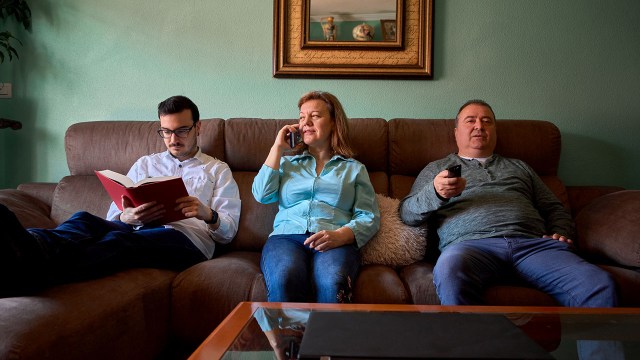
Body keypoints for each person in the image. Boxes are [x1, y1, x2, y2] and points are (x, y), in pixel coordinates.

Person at [1, 95, 241, 297]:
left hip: (188, 240)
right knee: (84, 220)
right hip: (138, 228)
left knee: (120, 243)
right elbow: (114, 216)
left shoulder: (217, 170)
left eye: (181, 131)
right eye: (166, 132)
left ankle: (33, 272)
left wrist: (207, 214)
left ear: (198, 127)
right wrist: (128, 217)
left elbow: (228, 232)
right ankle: (29, 244)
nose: (173, 139)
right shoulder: (146, 164)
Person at [399, 99, 618, 308]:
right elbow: (407, 213)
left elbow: (553, 208)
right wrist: (436, 192)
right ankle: (474, 347)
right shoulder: (436, 168)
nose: (479, 126)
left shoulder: (520, 167)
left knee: (598, 284)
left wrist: (561, 231)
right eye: (470, 120)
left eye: (487, 121)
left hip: (533, 246)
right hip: (470, 247)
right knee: (449, 271)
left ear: (495, 131)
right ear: (456, 132)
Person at [252, 90, 380, 303]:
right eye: (302, 117)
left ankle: (329, 337)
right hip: (286, 238)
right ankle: (288, 337)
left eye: (315, 116)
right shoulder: (286, 164)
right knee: (285, 277)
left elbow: (369, 216)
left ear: (333, 122)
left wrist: (342, 235)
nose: (305, 123)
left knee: (332, 282)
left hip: (333, 240)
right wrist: (277, 148)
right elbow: (261, 195)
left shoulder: (354, 169)